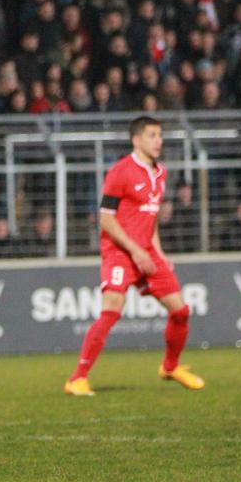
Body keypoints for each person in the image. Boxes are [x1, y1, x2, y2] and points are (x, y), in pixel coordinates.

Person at [65, 116, 205, 397]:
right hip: (120, 251)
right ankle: (77, 379)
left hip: (147, 250)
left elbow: (149, 219)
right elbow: (106, 220)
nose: (159, 141)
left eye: (160, 136)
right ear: (136, 139)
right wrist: (135, 251)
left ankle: (170, 367)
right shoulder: (120, 172)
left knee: (180, 311)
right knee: (111, 311)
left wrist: (159, 254)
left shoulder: (161, 173)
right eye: (152, 135)